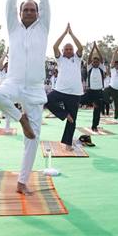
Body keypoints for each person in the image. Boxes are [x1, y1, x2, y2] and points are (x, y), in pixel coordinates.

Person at [0, 0, 50, 195]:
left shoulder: (43, 27)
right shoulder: (13, 27)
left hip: (35, 88)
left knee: (33, 139)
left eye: (31, 9)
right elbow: (9, 3)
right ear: (20, 13)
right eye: (24, 9)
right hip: (14, 83)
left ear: (37, 13)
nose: (27, 11)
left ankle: (22, 182)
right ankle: (20, 118)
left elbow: (46, 1)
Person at [44, 23, 83, 151]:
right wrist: (64, 34)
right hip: (60, 90)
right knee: (47, 100)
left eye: (70, 49)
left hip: (75, 93)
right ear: (63, 51)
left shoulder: (77, 59)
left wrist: (71, 34)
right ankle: (64, 114)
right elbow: (55, 46)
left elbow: (80, 47)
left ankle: (68, 144)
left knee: (72, 120)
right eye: (66, 49)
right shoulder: (60, 59)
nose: (68, 51)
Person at [82, 42, 106, 131]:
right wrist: (93, 49)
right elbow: (88, 58)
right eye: (94, 62)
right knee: (80, 100)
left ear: (99, 63)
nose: (95, 63)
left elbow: (102, 58)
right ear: (92, 62)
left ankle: (94, 126)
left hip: (99, 92)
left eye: (97, 62)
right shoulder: (89, 68)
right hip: (90, 91)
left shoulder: (101, 68)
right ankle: (90, 103)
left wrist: (97, 48)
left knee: (97, 110)